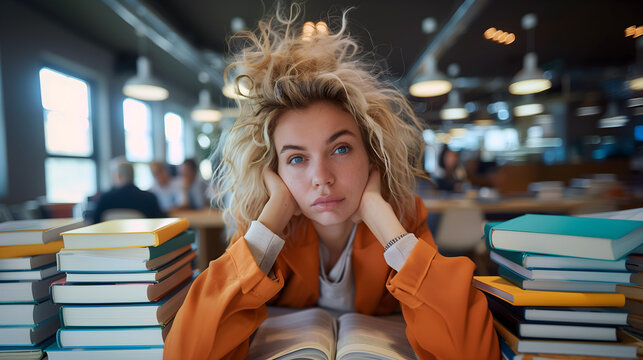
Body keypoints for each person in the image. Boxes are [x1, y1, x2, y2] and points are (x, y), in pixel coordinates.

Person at [163, 6, 498, 360]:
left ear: (371, 154)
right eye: (296, 158)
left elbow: (473, 352)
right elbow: (187, 352)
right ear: (272, 170)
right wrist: (273, 217)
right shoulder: (262, 226)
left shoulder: (399, 215)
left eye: (340, 149)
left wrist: (384, 223)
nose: (321, 178)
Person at [92, 157, 165, 223]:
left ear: (118, 176)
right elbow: (159, 223)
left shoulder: (105, 198)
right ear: (133, 175)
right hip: (142, 237)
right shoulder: (149, 198)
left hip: (110, 237)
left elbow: (95, 223)